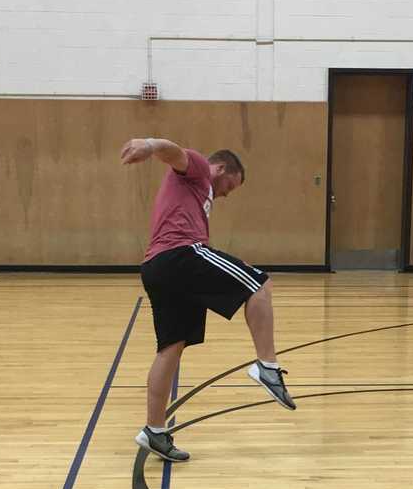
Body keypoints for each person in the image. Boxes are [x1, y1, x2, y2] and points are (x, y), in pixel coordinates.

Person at [122, 136, 295, 462]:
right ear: (221, 168)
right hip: (179, 255)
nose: (227, 193)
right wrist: (149, 145)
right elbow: (174, 152)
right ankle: (268, 366)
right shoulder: (200, 168)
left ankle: (154, 431)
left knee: (171, 347)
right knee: (260, 284)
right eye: (230, 185)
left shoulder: (197, 196)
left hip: (157, 267)